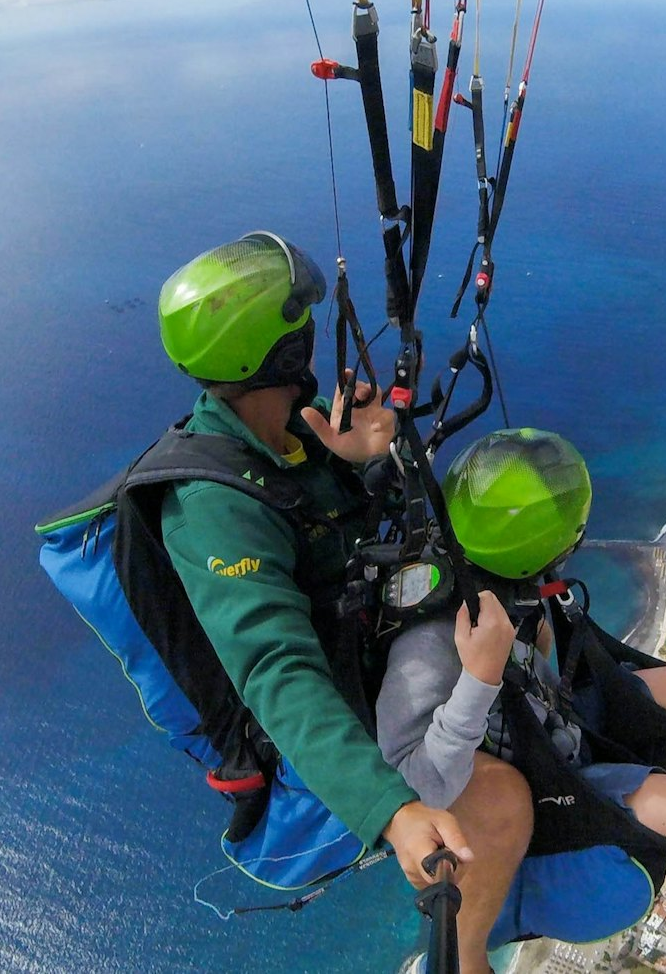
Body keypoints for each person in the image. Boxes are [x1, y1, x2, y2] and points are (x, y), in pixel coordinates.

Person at [156, 232, 533, 974]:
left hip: (363, 653)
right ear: (287, 355)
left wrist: (359, 465)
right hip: (324, 719)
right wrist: (390, 812)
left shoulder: (289, 438)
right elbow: (276, 673)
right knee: (505, 799)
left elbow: (334, 553)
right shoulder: (210, 509)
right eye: (300, 331)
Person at [377, 428, 666, 974]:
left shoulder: (498, 583)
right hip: (552, 782)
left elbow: (539, 677)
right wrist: (478, 679)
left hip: (557, 721)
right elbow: (416, 783)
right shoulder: (428, 646)